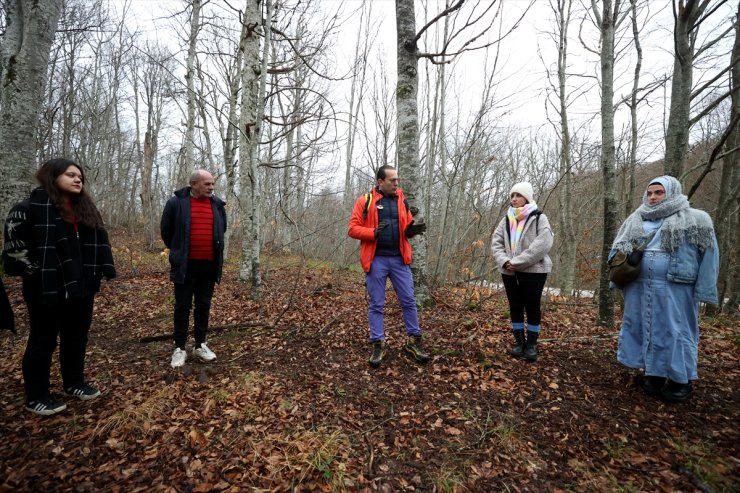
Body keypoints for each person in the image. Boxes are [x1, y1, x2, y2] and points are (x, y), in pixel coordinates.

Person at [3, 158, 116, 415]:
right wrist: (38, 273)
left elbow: (100, 243)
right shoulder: (27, 209)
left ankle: (74, 383)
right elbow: (15, 251)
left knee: (76, 336)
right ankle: (37, 396)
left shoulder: (86, 211)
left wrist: (96, 274)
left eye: (80, 177)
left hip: (83, 286)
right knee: (43, 339)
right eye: (70, 175)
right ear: (52, 177)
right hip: (45, 287)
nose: (78, 180)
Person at [609, 176, 718, 403]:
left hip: (676, 288)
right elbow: (617, 251)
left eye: (659, 192)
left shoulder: (697, 219)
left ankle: (680, 379)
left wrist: (705, 291)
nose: (653, 197)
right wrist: (620, 273)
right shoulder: (636, 219)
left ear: (672, 192)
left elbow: (710, 256)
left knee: (676, 331)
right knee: (644, 328)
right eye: (649, 193)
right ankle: (654, 374)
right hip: (638, 287)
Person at [348, 165, 430, 368]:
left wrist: (412, 230)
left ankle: (414, 342)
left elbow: (406, 229)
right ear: (380, 182)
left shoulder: (402, 200)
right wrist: (372, 233)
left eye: (397, 179)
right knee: (376, 304)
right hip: (376, 260)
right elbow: (352, 228)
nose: (396, 183)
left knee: (409, 301)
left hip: (400, 260)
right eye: (392, 180)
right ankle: (378, 343)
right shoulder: (365, 201)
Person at [161, 170, 226, 368]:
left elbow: (222, 229)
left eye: (212, 183)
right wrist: (179, 251)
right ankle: (180, 348)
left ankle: (200, 344)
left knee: (204, 305)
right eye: (207, 184)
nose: (211, 187)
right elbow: (166, 231)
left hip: (208, 265)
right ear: (193, 184)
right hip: (185, 265)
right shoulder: (176, 203)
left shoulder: (217, 205)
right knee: (182, 306)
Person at [491, 182, 554, 362]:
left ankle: (532, 344)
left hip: (534, 270)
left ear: (527, 197)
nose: (514, 199)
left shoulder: (539, 218)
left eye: (518, 195)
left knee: (532, 307)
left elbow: (543, 244)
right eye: (512, 196)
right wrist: (505, 261)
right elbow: (496, 242)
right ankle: (519, 342)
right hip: (509, 271)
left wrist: (518, 262)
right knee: (515, 306)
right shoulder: (506, 219)